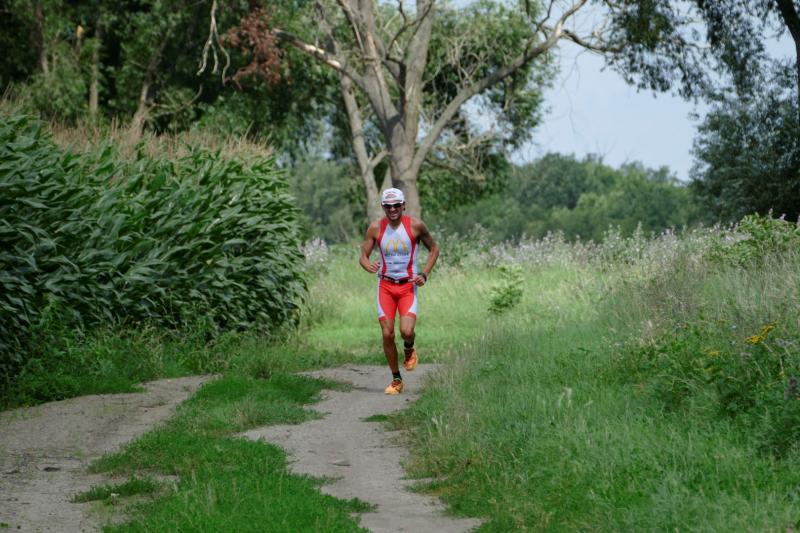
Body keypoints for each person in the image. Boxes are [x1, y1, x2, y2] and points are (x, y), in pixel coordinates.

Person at [359, 188, 440, 394]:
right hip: (385, 286)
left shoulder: (415, 225)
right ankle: (396, 379)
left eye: (396, 205)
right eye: (388, 206)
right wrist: (367, 265)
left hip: (407, 286)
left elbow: (434, 249)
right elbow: (363, 256)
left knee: (406, 331)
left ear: (403, 205)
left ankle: (409, 347)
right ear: (383, 207)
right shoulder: (375, 228)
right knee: (387, 334)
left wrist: (424, 274)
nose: (393, 209)